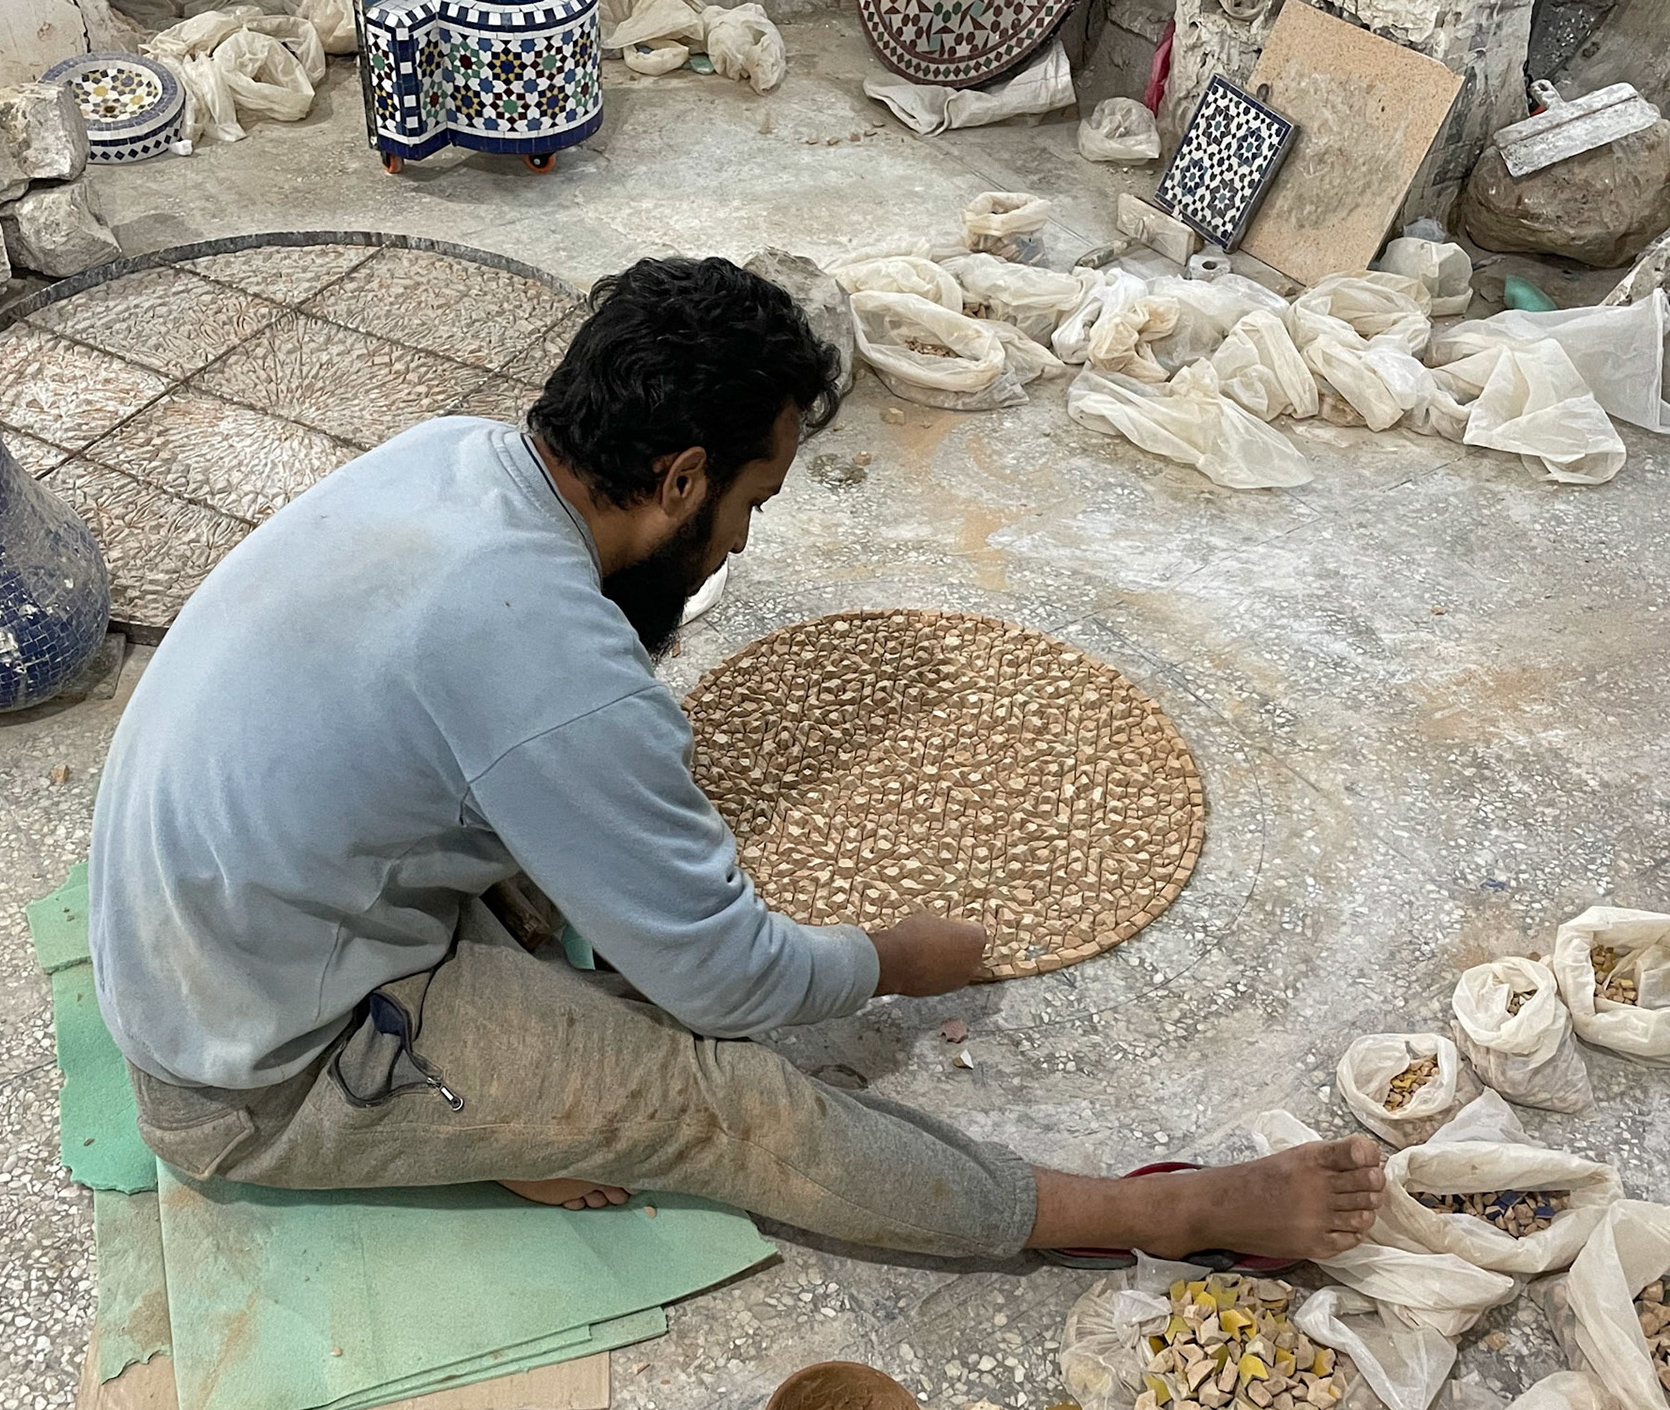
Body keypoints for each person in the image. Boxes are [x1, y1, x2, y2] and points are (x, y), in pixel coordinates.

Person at [89, 257, 1384, 1261]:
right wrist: (893, 962)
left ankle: (488, 1113)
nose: (742, 550)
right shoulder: (554, 670)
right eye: (748, 507)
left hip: (221, 932)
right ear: (681, 479)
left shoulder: (458, 460)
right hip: (252, 1070)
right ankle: (1154, 1216)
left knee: (577, 922)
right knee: (722, 1101)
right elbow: (728, 985)